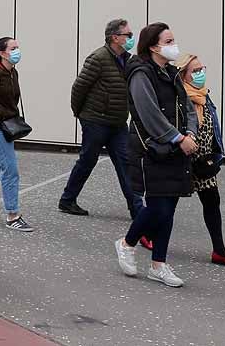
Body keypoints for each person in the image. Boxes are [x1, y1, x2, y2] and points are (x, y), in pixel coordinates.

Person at [114, 22, 197, 287]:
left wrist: (191, 134)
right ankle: (127, 243)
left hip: (176, 149)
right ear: (153, 46)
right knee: (158, 207)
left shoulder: (170, 73)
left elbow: (188, 107)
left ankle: (158, 264)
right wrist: (177, 137)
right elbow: (149, 113)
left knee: (169, 208)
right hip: (152, 149)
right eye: (169, 41)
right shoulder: (141, 73)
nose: (174, 45)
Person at [60, 19, 145, 218]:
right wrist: (81, 114)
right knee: (87, 161)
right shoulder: (98, 58)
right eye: (128, 35)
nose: (131, 38)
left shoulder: (128, 60)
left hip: (117, 122)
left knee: (126, 164)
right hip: (95, 121)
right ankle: (67, 200)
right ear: (115, 37)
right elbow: (79, 88)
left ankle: (136, 209)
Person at [172, 54, 225, 268]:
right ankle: (142, 235)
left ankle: (220, 251)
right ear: (184, 76)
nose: (200, 73)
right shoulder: (180, 98)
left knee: (212, 202)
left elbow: (212, 130)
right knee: (167, 204)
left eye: (201, 68)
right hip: (185, 162)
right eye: (194, 71)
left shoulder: (204, 96)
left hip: (203, 164)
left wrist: (215, 154)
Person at [0, 37, 33, 232]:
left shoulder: (12, 72)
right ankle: (12, 215)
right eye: (13, 48)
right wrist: (7, 116)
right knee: (10, 170)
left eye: (18, 47)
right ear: (2, 53)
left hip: (5, 126)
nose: (18, 51)